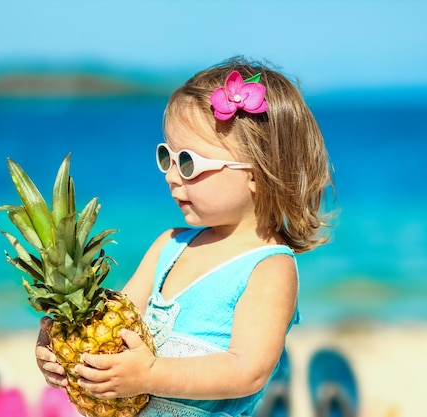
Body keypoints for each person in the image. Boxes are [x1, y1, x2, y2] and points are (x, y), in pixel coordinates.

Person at [35, 55, 336, 417]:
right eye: (167, 157)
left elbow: (248, 370)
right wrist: (64, 349)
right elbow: (107, 322)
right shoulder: (169, 246)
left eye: (189, 162)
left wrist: (151, 374)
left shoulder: (269, 268)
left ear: (257, 173)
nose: (171, 175)